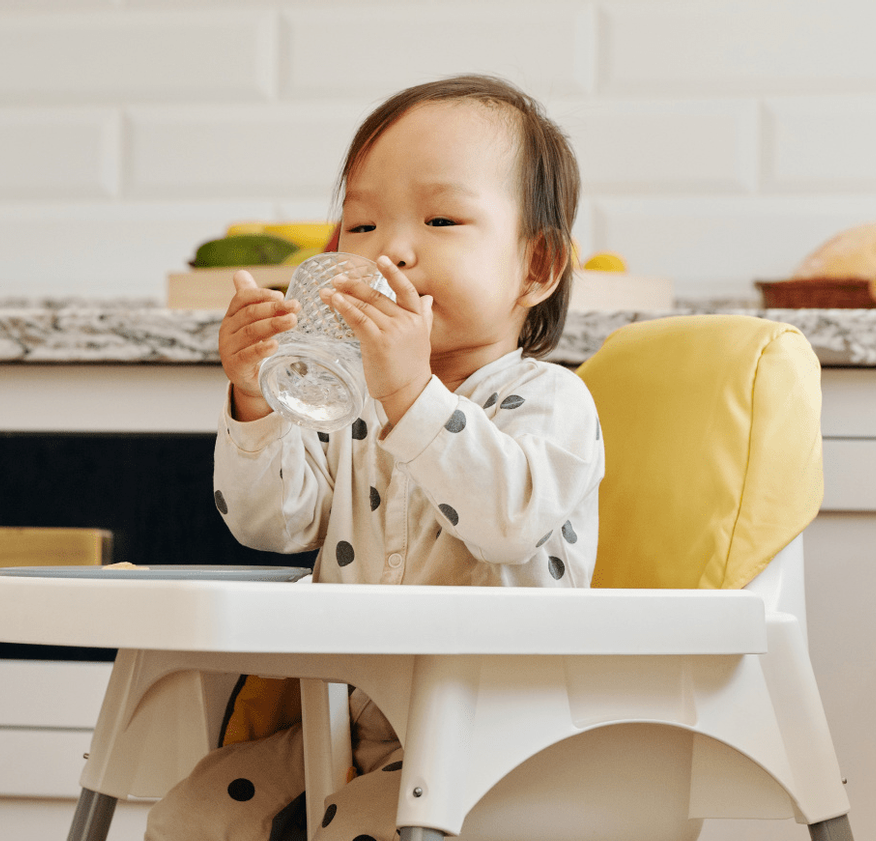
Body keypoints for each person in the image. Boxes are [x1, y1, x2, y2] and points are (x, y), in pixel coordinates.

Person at [146, 74, 604, 841]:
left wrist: (413, 393)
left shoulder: (552, 401)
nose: (390, 249)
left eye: (441, 218)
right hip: (348, 724)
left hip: (497, 740)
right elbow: (274, 523)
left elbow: (508, 520)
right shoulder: (351, 403)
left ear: (537, 266)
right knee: (193, 810)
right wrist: (257, 397)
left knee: (356, 825)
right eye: (360, 227)